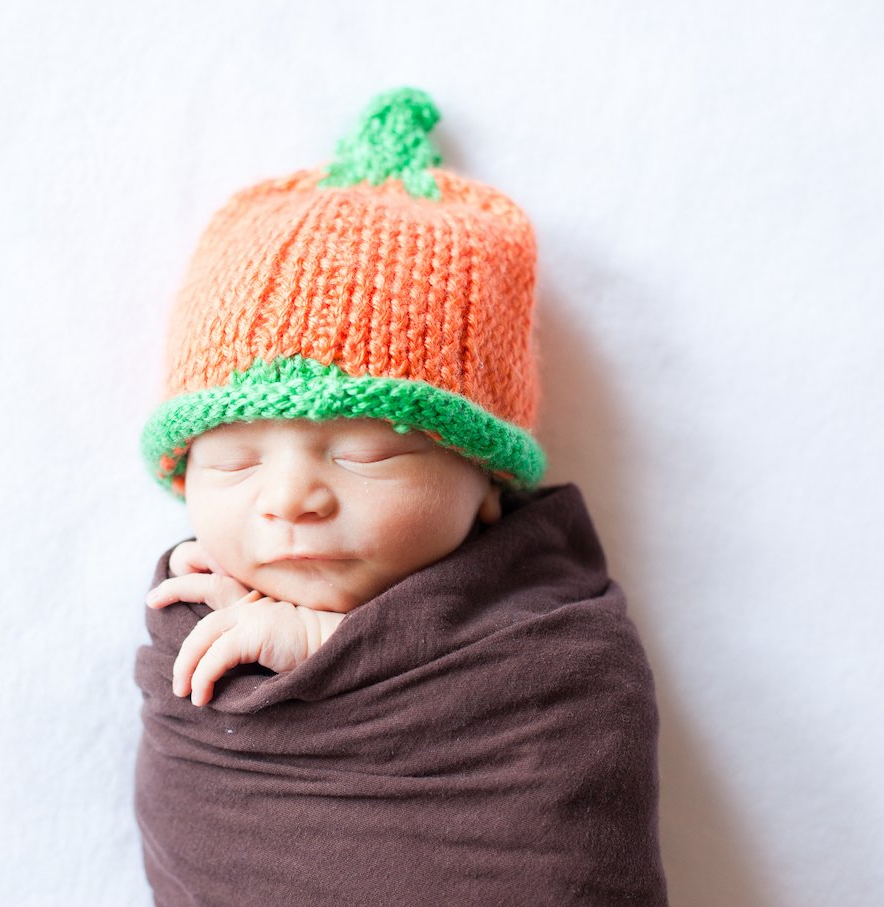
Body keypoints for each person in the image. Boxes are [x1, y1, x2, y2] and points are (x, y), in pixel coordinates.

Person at [134, 88, 667, 906]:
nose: (290, 499)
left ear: (486, 486)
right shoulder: (195, 608)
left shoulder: (550, 643)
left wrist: (328, 642)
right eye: (235, 461)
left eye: (367, 453)